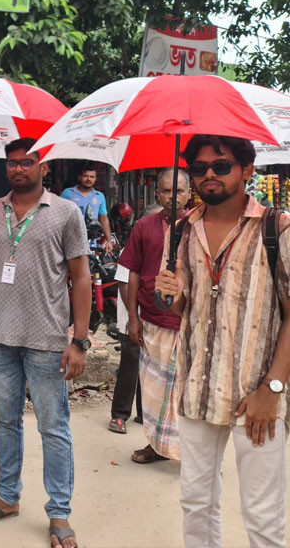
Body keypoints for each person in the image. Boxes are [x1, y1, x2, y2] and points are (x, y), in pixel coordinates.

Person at [156, 135, 290, 548]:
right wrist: (174, 296)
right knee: (196, 502)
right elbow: (187, 311)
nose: (209, 174)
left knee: (263, 515)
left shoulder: (277, 228)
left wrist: (273, 387)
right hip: (197, 389)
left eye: (221, 165)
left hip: (257, 395)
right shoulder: (180, 230)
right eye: (198, 168)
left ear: (247, 171)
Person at [0, 138, 91, 548]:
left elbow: (82, 277)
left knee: (54, 428)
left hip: (47, 338)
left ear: (44, 166)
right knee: (5, 421)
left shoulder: (66, 212)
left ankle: (59, 513)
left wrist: (80, 340)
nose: (18, 169)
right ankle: (7, 496)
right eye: (12, 163)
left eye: (27, 162)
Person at [120, 170, 190, 465]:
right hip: (151, 320)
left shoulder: (200, 226)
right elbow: (132, 272)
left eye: (179, 191)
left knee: (185, 392)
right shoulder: (144, 226)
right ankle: (156, 445)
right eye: (165, 191)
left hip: (186, 322)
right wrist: (133, 319)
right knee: (153, 391)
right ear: (157, 195)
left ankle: (192, 454)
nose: (172, 197)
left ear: (190, 193)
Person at [108, 260, 142, 435]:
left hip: (153, 319)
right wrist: (134, 316)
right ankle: (119, 415)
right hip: (131, 320)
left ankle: (144, 413)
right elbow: (123, 284)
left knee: (151, 367)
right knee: (130, 366)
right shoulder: (130, 248)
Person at [61, 162, 113, 251]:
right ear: (80, 177)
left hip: (92, 243)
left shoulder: (99, 196)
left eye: (92, 177)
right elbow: (59, 216)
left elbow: (103, 219)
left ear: (95, 179)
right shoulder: (68, 193)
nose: (88, 179)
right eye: (85, 176)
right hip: (70, 241)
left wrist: (108, 241)